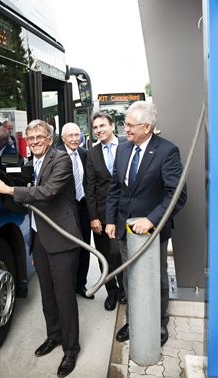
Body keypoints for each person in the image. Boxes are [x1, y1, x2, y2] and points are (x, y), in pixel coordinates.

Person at [0, 120, 82, 378]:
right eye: (32, 137)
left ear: (50, 140)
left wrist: (9, 189)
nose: (36, 141)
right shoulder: (31, 164)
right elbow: (22, 193)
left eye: (41, 136)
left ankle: (71, 349)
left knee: (64, 297)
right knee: (47, 295)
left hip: (62, 239)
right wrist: (0, 190)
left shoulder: (61, 160)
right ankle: (54, 336)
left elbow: (48, 192)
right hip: (40, 238)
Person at [105, 100, 187, 346]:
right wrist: (110, 220)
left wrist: (151, 220)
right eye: (125, 123)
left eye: (131, 125)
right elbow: (115, 189)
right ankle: (134, 321)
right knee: (130, 277)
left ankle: (159, 324)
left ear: (148, 127)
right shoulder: (122, 149)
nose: (125, 129)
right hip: (123, 229)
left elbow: (177, 195)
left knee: (157, 279)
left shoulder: (167, 151)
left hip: (151, 233)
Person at [85, 112, 126, 311]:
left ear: (112, 126)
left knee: (121, 253)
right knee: (104, 255)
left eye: (102, 126)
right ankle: (111, 291)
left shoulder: (128, 146)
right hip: (101, 214)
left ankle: (125, 289)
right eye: (95, 128)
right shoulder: (91, 153)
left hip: (125, 212)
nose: (99, 130)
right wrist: (93, 217)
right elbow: (89, 188)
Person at [59, 122, 94, 300]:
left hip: (83, 207)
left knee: (84, 247)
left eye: (77, 135)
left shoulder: (85, 154)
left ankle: (81, 284)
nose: (74, 139)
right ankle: (68, 286)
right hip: (64, 210)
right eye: (70, 136)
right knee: (68, 249)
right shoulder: (56, 155)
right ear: (63, 138)